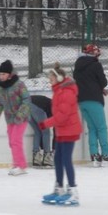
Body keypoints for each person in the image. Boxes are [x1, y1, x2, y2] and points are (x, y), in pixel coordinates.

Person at [39, 63, 83, 206]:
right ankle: (59, 188)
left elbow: (62, 116)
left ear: (58, 78)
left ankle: (73, 191)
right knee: (58, 159)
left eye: (51, 79)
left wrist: (45, 123)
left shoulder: (67, 92)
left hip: (69, 130)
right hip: (62, 130)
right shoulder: (59, 91)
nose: (49, 82)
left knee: (65, 159)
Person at [73, 43, 108, 167]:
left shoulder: (78, 65)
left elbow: (85, 82)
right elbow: (103, 81)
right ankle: (106, 154)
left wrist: (98, 88)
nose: (97, 56)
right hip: (94, 100)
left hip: (81, 101)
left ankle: (94, 155)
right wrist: (100, 87)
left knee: (92, 128)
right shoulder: (96, 65)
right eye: (96, 53)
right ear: (92, 53)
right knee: (101, 127)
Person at [0, 59, 31, 176]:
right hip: (9, 118)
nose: (1, 76)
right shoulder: (0, 87)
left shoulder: (19, 84)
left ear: (9, 74)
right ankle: (16, 163)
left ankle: (21, 166)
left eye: (3, 74)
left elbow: (27, 100)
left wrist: (20, 114)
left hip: (21, 117)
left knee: (15, 140)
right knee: (11, 142)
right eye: (0, 74)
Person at [29, 95, 54, 168]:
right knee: (46, 132)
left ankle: (36, 159)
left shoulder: (52, 103)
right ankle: (47, 159)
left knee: (37, 131)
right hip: (36, 106)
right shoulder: (56, 108)